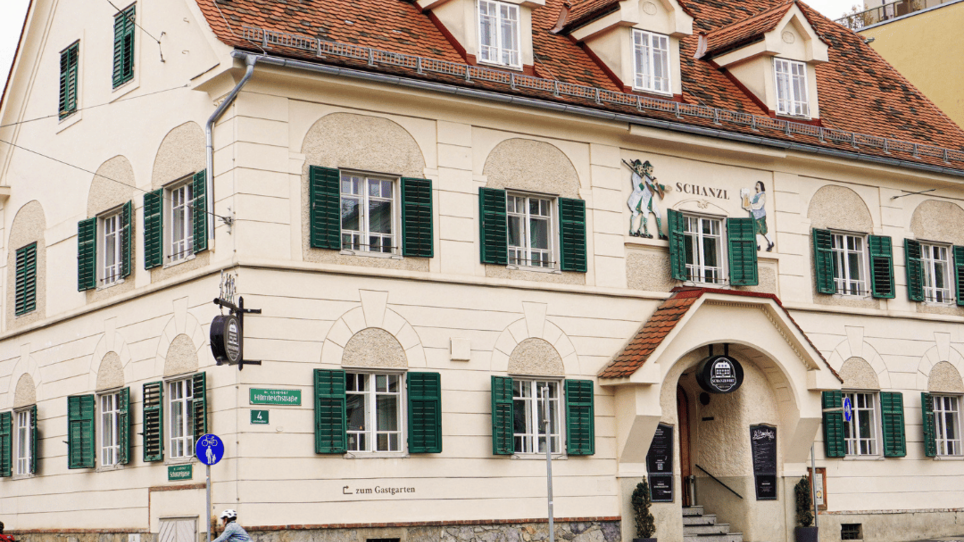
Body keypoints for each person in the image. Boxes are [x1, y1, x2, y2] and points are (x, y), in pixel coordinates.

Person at [625, 159, 672, 239]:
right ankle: (634, 230)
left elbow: (653, 186)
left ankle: (655, 232)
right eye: (640, 167)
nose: (641, 168)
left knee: (653, 213)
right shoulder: (638, 176)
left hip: (647, 197)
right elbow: (643, 188)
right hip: (641, 198)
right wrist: (644, 184)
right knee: (638, 213)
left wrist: (663, 187)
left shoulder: (644, 176)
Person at [743, 180, 774, 251]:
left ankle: (771, 242)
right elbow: (750, 200)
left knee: (763, 230)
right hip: (755, 216)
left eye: (758, 185)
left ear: (761, 187)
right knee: (757, 231)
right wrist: (745, 196)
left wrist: (750, 206)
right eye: (756, 185)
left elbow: (759, 205)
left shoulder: (762, 195)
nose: (756, 186)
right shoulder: (756, 196)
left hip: (760, 216)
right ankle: (758, 245)